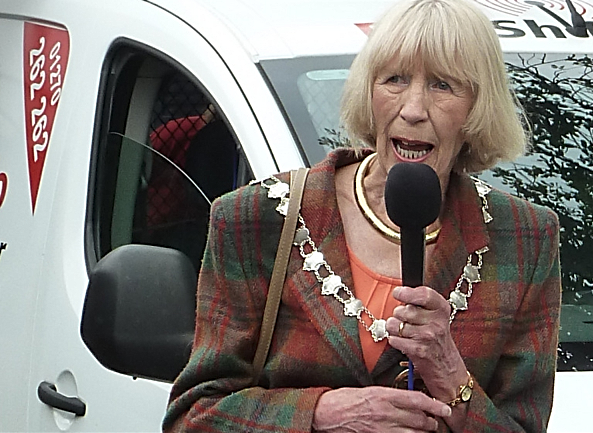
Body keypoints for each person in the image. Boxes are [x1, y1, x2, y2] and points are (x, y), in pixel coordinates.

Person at [162, 0, 561, 431]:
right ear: (369, 92)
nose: (412, 108)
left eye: (443, 85)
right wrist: (321, 414)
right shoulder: (256, 218)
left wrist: (450, 376)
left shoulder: (523, 239)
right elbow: (193, 418)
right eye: (395, 80)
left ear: (477, 109)